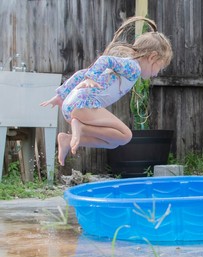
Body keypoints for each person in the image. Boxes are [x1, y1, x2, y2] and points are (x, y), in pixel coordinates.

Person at [41, 16, 173, 166]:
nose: (156, 74)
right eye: (159, 67)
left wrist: (61, 95)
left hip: (71, 106)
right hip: (83, 105)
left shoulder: (127, 65)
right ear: (152, 57)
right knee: (126, 135)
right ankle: (80, 127)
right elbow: (105, 60)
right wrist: (91, 77)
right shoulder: (133, 67)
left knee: (113, 141)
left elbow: (81, 73)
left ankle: (67, 139)